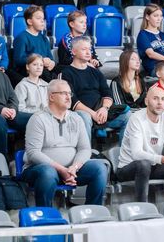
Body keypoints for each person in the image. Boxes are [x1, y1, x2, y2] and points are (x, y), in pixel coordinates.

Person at [22, 79, 108, 207]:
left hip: (71, 170)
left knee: (99, 167)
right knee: (48, 172)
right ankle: (45, 214)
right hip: (40, 170)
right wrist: (62, 169)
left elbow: (84, 149)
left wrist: (74, 167)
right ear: (51, 97)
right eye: (63, 93)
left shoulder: (76, 118)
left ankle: (92, 212)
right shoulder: (38, 119)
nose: (68, 97)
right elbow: (33, 153)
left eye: (69, 93)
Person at [61, 36, 130, 141]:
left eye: (89, 49)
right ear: (74, 51)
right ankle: (86, 150)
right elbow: (72, 100)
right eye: (84, 49)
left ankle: (124, 151)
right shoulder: (66, 73)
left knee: (127, 116)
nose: (88, 52)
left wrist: (104, 109)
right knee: (85, 116)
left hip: (101, 112)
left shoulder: (96, 72)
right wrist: (93, 114)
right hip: (80, 114)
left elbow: (107, 93)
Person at [12, 5, 56, 81]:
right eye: (38, 18)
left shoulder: (44, 38)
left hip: (43, 69)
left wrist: (51, 62)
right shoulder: (22, 38)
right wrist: (40, 61)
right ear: (29, 21)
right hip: (28, 71)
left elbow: (50, 57)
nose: (42, 21)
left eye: (43, 18)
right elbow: (19, 60)